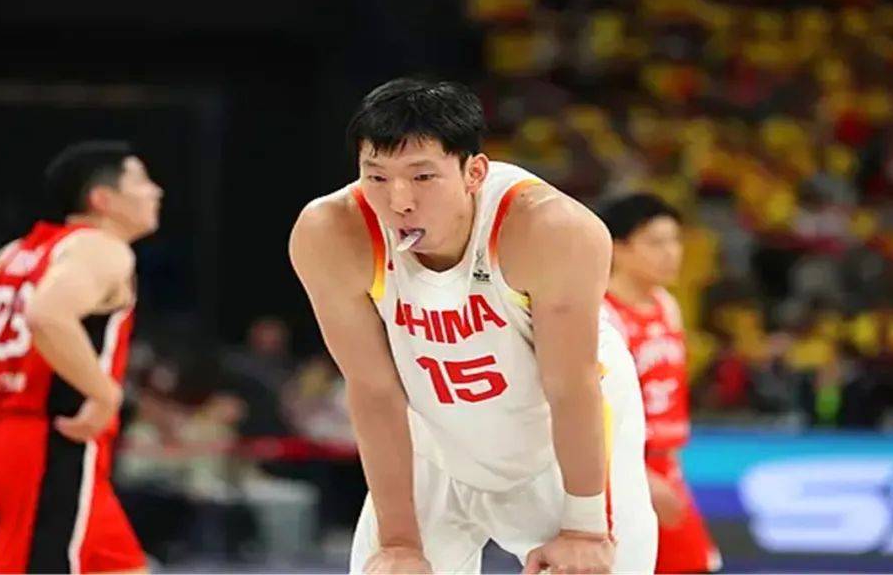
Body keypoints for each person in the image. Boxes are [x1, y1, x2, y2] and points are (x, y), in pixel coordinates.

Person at [290, 78, 656, 574]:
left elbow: (571, 384)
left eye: (423, 177)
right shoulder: (332, 233)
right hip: (435, 438)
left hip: (557, 445)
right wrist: (398, 542)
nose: (398, 201)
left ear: (474, 172)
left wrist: (584, 528)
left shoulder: (550, 229)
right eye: (376, 177)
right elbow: (373, 388)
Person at [0, 141, 162, 574]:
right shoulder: (102, 248)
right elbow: (48, 314)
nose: (155, 191)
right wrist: (104, 395)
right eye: (141, 182)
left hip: (13, 436)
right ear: (103, 199)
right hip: (53, 441)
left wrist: (4, 386)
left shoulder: (21, 251)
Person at [598, 193, 721, 573]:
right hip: (617, 469)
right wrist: (637, 475)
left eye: (675, 240)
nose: (671, 253)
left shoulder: (667, 304)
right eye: (655, 242)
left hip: (665, 464)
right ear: (619, 248)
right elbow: (591, 408)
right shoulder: (601, 314)